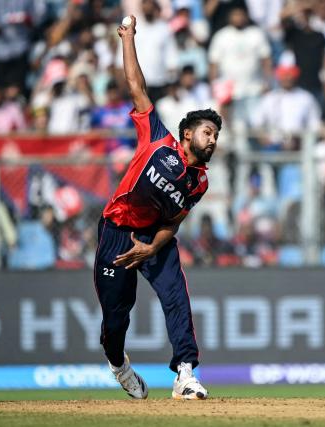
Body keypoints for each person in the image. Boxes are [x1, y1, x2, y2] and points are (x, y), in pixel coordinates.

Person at [94, 15, 222, 401]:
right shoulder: (158, 140)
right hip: (117, 230)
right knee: (116, 319)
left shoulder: (199, 181)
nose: (213, 140)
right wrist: (128, 38)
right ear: (187, 134)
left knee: (176, 299)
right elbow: (136, 85)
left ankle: (185, 373)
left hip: (155, 238)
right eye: (207, 132)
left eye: (216, 135)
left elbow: (175, 221)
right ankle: (119, 365)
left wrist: (152, 247)